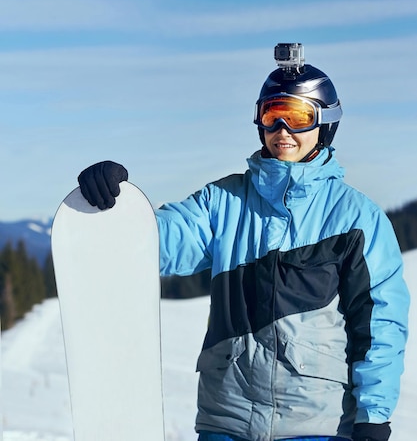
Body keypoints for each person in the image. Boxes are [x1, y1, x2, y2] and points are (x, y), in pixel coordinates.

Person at [77, 43, 409, 441]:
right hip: (226, 419)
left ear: (325, 124)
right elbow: (161, 242)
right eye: (272, 116)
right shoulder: (223, 202)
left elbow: (380, 322)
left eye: (298, 117)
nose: (283, 130)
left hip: (315, 422)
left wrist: (374, 414)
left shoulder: (356, 218)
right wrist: (116, 210)